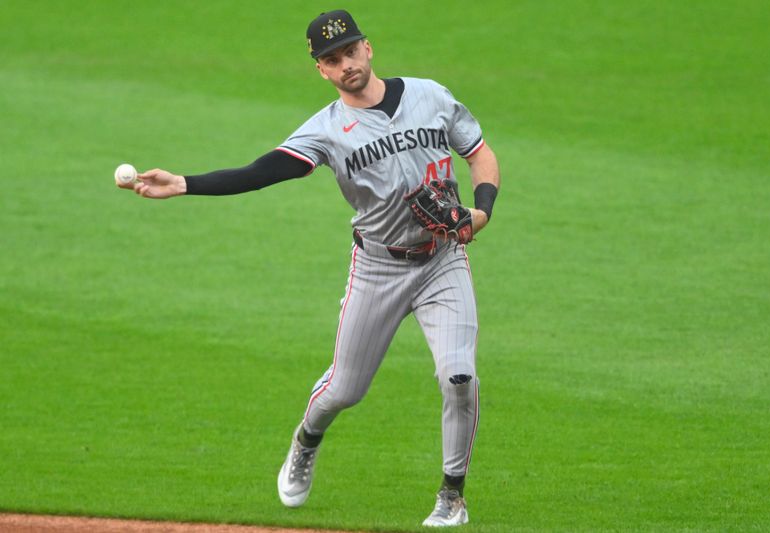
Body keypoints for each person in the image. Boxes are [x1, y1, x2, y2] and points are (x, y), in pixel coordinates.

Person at [118, 9, 500, 527]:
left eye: (349, 51)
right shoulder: (327, 130)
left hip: (442, 261)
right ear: (321, 70)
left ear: (369, 47)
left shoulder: (430, 95)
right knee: (345, 389)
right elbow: (263, 172)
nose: (344, 65)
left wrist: (481, 211)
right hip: (378, 269)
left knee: (459, 376)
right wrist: (184, 183)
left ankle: (451, 497)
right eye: (331, 60)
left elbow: (479, 153)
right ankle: (306, 439)